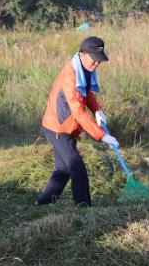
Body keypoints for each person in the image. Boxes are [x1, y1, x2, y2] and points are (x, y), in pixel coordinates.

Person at [38, 36, 118, 207]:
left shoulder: (83, 70)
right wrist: (102, 136)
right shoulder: (71, 78)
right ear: (83, 54)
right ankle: (83, 208)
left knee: (64, 169)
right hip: (57, 128)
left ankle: (44, 202)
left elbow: (87, 93)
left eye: (99, 61)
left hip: (67, 127)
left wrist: (97, 110)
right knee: (77, 167)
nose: (96, 64)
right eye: (94, 60)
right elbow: (79, 113)